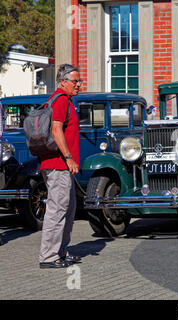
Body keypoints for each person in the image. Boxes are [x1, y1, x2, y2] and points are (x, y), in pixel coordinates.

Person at [38, 64, 82, 269]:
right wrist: (70, 157)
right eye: (75, 81)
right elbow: (56, 130)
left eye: (79, 81)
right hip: (58, 165)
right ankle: (48, 256)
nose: (79, 85)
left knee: (69, 208)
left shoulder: (64, 100)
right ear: (63, 81)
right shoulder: (62, 100)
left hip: (61, 166)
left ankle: (61, 251)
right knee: (57, 210)